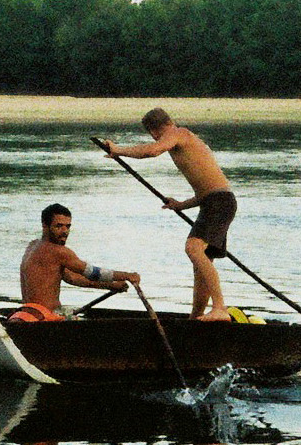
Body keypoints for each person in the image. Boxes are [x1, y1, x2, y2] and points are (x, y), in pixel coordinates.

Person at [101, 108, 236, 321]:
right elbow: (205, 190)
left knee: (193, 248)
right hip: (213, 202)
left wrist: (118, 150)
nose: (155, 138)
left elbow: (152, 151)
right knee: (202, 261)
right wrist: (181, 205)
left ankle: (220, 308)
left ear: (154, 131)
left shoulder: (178, 133)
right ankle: (196, 317)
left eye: (153, 135)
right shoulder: (184, 139)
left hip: (219, 202)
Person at [14, 203, 138, 323]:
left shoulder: (32, 246)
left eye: (68, 226)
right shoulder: (59, 252)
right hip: (44, 319)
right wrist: (127, 275)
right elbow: (93, 273)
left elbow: (73, 278)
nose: (65, 231)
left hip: (26, 314)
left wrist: (111, 285)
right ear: (45, 226)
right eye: (59, 226)